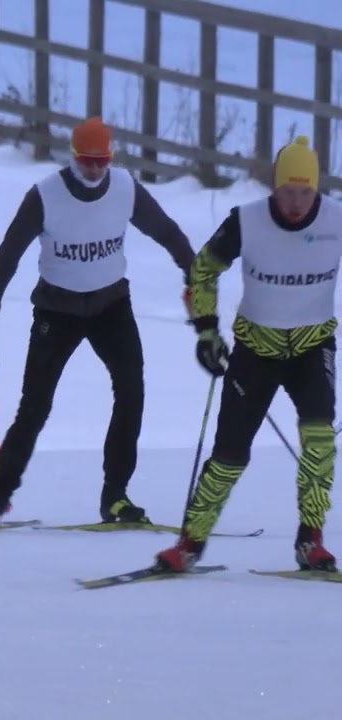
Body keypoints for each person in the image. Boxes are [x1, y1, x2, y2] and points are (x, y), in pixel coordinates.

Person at [0, 116, 196, 528]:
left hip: (111, 307)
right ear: (72, 156)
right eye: (86, 160)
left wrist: (197, 277)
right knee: (35, 407)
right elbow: (6, 257)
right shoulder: (45, 196)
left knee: (131, 392)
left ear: (111, 157)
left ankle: (116, 496)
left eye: (101, 161)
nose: (93, 169)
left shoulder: (125, 188)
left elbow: (167, 232)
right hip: (57, 311)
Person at [155, 136, 341, 574]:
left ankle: (310, 541)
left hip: (313, 347)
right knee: (229, 455)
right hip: (256, 350)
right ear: (274, 186)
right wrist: (206, 331)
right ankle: (190, 543)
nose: (295, 202)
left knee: (319, 442)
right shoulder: (247, 220)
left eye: (305, 192)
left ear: (317, 189)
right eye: (287, 191)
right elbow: (203, 270)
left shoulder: (336, 220)